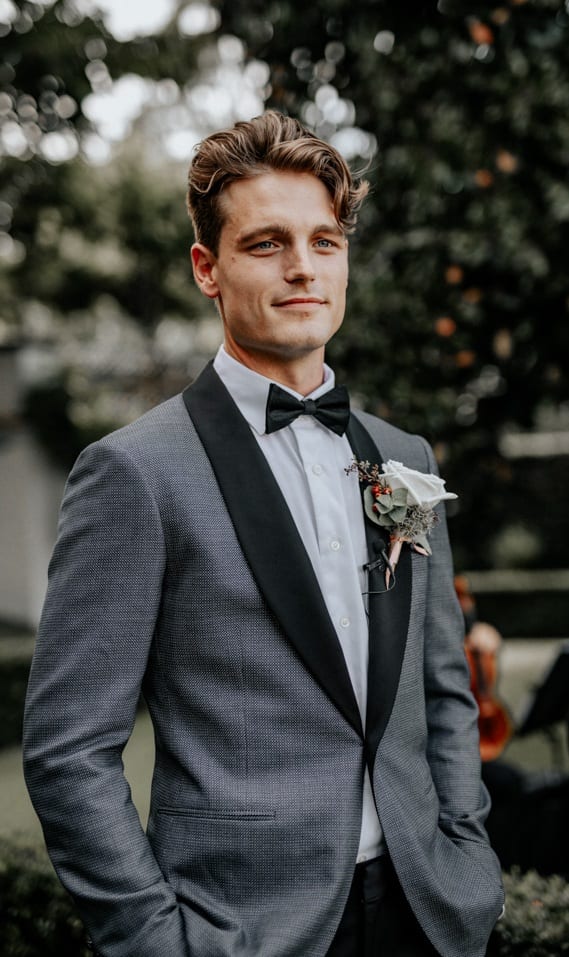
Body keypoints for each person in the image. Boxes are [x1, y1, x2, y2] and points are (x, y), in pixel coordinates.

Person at [23, 111, 504, 957]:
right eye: (266, 243)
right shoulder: (134, 473)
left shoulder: (402, 456)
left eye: (324, 241)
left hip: (424, 913)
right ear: (207, 268)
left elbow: (442, 690)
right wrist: (151, 936)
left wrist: (466, 852)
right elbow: (70, 750)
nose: (301, 268)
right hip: (240, 928)